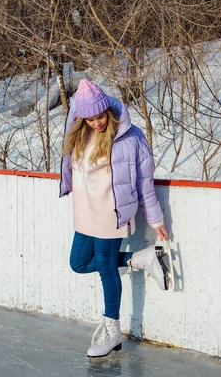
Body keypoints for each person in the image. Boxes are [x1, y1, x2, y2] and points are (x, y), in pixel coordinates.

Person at [59, 78, 170, 358]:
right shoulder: (78, 132)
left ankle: (113, 334)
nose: (96, 123)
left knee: (107, 270)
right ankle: (139, 259)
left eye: (100, 116)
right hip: (84, 212)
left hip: (111, 211)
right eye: (90, 118)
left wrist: (156, 220)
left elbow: (145, 181)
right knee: (79, 262)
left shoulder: (130, 136)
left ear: (107, 110)